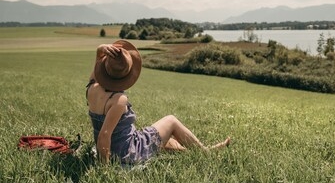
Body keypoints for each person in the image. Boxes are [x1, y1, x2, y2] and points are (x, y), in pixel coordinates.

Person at [86, 40, 230, 164]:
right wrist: (104, 169)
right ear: (127, 75)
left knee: (162, 138)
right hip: (127, 152)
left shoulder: (92, 88)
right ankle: (206, 152)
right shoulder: (118, 100)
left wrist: (100, 51)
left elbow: (95, 74)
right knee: (171, 121)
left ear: (104, 67)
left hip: (116, 148)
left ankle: (193, 153)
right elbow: (104, 135)